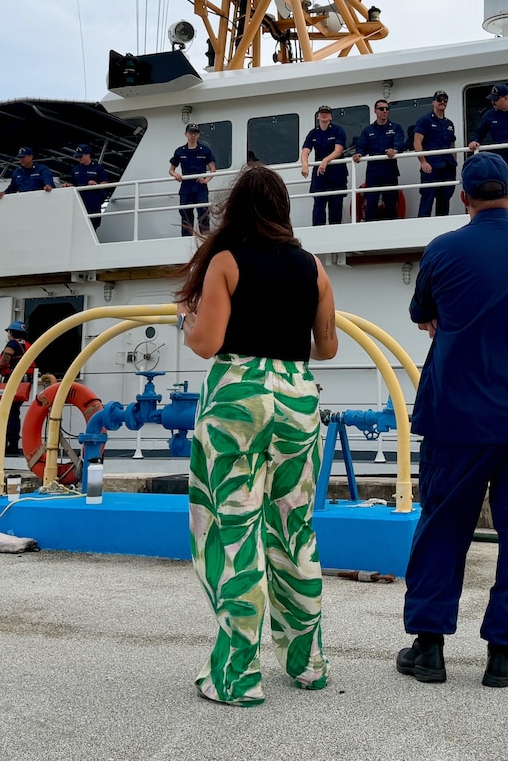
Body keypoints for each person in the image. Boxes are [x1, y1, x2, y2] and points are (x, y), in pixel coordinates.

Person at [396, 152, 508, 689]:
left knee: (443, 525)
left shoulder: (444, 249)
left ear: (464, 198)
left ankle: (428, 650)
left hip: (458, 415)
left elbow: (423, 313)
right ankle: (502, 654)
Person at [175, 163, 340, 706]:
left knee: (234, 529)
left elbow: (205, 343)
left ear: (236, 210)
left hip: (239, 399)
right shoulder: (313, 268)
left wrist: (190, 315)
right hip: (296, 397)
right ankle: (308, 663)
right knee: (293, 529)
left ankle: (237, 676)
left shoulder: (226, 262)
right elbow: (327, 347)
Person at [355, 99, 406, 221]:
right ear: (375, 111)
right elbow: (362, 146)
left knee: (391, 202)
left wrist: (394, 150)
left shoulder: (396, 128)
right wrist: (359, 154)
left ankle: (392, 229)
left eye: (387, 109)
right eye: (381, 109)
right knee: (371, 202)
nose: (385, 111)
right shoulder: (368, 130)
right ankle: (370, 229)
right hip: (373, 172)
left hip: (390, 171)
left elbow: (399, 143)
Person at [0, 321, 29, 455]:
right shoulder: (25, 345)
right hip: (23, 380)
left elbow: (4, 361)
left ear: (11, 333)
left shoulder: (12, 344)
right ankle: (12, 444)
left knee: (9, 412)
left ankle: (8, 445)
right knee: (14, 412)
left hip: (14, 380)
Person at [300, 105, 348, 226]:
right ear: (318, 116)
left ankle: (336, 229)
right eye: (322, 113)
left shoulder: (338, 130)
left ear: (331, 116)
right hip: (320, 175)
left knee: (336, 205)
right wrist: (304, 165)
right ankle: (317, 230)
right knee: (319, 204)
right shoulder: (313, 133)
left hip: (337, 174)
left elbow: (338, 150)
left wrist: (325, 161)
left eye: (327, 113)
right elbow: (305, 151)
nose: (324, 115)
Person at [412, 90, 458, 218]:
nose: (442, 102)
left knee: (445, 199)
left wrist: (454, 162)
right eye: (439, 100)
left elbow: (452, 144)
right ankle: (422, 226)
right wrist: (423, 162)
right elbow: (417, 142)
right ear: (433, 102)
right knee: (427, 199)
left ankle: (442, 227)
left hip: (447, 167)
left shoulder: (449, 124)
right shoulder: (425, 120)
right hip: (431, 167)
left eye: (445, 100)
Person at [169, 125, 218, 235]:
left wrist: (206, 180)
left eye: (195, 133)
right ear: (186, 134)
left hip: (200, 187)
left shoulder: (205, 150)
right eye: (191, 133)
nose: (193, 135)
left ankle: (205, 238)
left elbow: (213, 170)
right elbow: (171, 170)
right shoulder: (179, 151)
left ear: (198, 135)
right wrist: (176, 175)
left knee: (203, 212)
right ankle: (185, 239)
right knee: (186, 215)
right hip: (186, 187)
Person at [71, 144, 110, 229]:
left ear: (88, 155)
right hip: (79, 201)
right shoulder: (75, 169)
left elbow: (105, 183)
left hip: (93, 201)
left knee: (93, 224)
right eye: (77, 157)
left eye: (80, 156)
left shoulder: (98, 168)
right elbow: (73, 183)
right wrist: (67, 185)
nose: (79, 158)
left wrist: (96, 185)